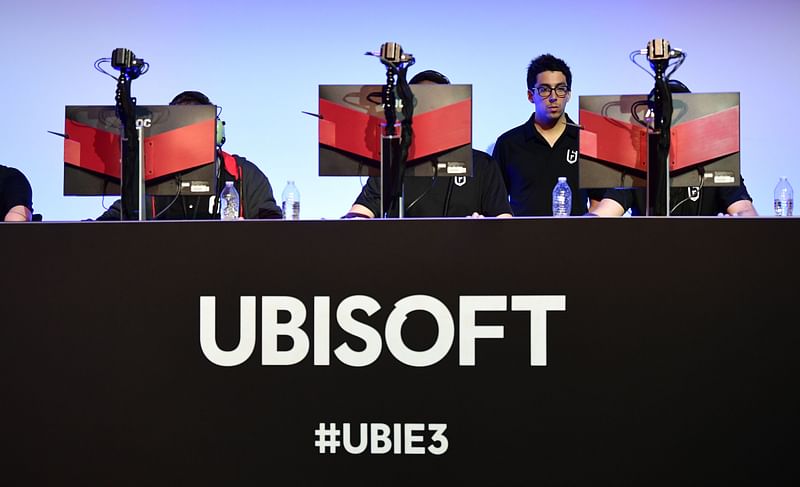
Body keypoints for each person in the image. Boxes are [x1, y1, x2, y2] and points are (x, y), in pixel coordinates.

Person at [344, 70, 512, 218]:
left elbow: (504, 222)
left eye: (436, 103)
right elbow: (362, 211)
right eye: (421, 103)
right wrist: (351, 222)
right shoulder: (392, 164)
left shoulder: (483, 165)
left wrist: (485, 225)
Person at [96, 91, 282, 220]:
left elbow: (272, 224)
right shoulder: (150, 177)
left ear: (215, 131)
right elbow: (118, 216)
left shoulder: (244, 174)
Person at [589, 79, 758, 217]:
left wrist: (738, 219)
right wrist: (576, 224)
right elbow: (605, 213)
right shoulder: (637, 169)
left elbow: (744, 210)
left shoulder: (716, 165)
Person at [492, 54, 604, 216]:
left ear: (568, 95)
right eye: (544, 90)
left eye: (560, 89)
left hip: (576, 238)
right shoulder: (508, 143)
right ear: (531, 96)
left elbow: (598, 202)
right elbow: (497, 204)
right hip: (522, 239)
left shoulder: (587, 141)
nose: (553, 97)